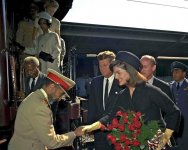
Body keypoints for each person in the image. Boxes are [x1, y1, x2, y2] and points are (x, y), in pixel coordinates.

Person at [83, 51, 181, 150]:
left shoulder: (151, 91)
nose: (116, 77)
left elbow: (174, 112)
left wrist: (164, 138)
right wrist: (90, 127)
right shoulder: (122, 95)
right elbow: (110, 116)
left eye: (118, 73)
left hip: (155, 144)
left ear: (130, 71)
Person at [8, 68, 84, 150]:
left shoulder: (34, 96)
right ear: (52, 86)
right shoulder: (40, 107)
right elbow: (51, 142)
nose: (60, 98)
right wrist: (75, 134)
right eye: (61, 93)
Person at [87, 51, 123, 150]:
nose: (102, 68)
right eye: (100, 65)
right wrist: (90, 126)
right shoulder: (95, 82)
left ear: (112, 65)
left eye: (105, 65)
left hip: (118, 133)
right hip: (99, 133)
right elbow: (92, 106)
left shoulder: (121, 82)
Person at [170, 61, 188, 150]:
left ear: (184, 73)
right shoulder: (170, 86)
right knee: (174, 144)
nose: (174, 74)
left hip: (186, 123)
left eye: (177, 71)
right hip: (173, 122)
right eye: (173, 72)